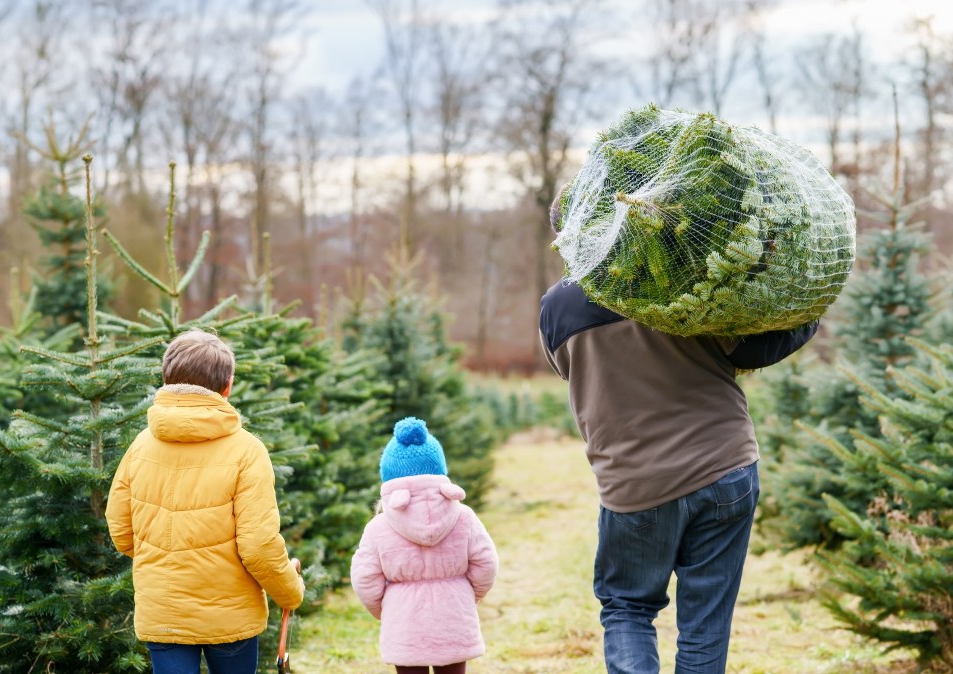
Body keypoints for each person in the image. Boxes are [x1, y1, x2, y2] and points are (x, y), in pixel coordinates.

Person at [539, 205, 818, 674]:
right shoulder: (682, 280)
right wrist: (806, 314)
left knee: (628, 607)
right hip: (724, 467)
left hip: (635, 487)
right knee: (705, 623)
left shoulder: (557, 306)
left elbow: (569, 371)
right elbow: (757, 347)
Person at [106, 329, 305, 674]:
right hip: (229, 616)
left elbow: (121, 530)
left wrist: (168, 558)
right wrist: (290, 592)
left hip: (163, 611)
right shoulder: (248, 450)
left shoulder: (141, 445)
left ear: (167, 378)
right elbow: (258, 546)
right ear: (227, 386)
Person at [350, 417, 499, 674]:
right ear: (439, 470)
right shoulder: (464, 517)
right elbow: (487, 563)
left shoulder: (378, 527)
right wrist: (467, 595)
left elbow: (364, 579)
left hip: (404, 623)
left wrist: (385, 609)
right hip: (454, 618)